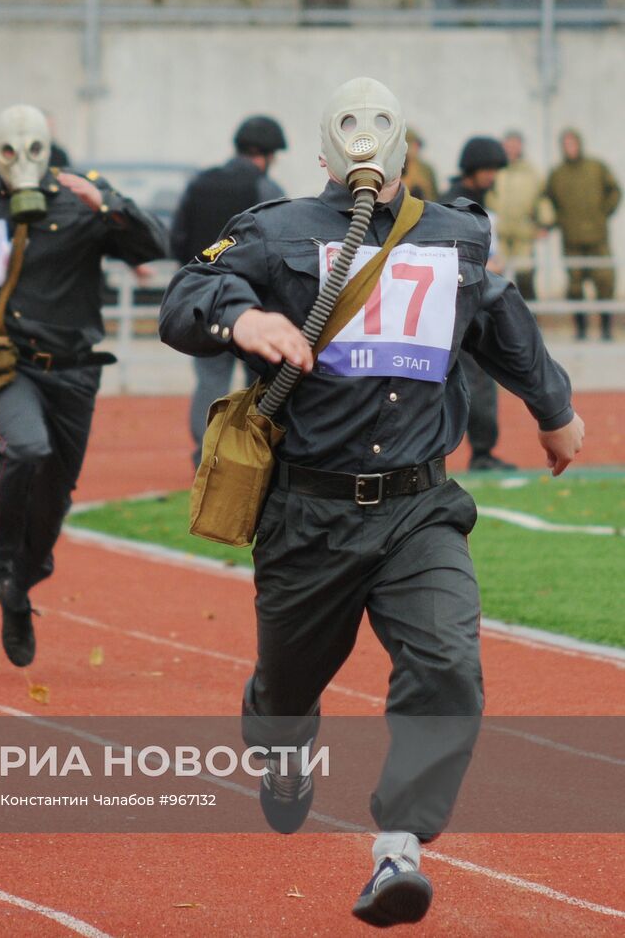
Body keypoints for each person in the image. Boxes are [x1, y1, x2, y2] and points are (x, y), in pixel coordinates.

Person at [160, 77, 584, 927]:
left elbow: (500, 317)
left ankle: (399, 845)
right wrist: (242, 319)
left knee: (448, 665)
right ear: (326, 154)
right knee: (287, 690)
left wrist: (554, 410)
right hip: (307, 512)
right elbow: (186, 295)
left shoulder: (455, 233)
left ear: (404, 151)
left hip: (418, 508)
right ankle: (283, 747)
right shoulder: (275, 230)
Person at [0, 104, 168, 667]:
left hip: (74, 371)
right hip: (5, 361)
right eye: (8, 150)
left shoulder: (81, 196)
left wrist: (108, 206)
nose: (21, 162)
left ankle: (20, 588)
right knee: (26, 447)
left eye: (32, 149)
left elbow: (154, 245)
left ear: (48, 150)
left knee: (54, 498)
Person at [170, 115, 287, 468]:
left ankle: (206, 458)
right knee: (261, 384)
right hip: (255, 305)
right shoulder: (268, 189)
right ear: (268, 154)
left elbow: (177, 238)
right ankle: (252, 458)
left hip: (206, 301)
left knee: (210, 380)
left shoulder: (199, 183)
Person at [444, 136, 515, 471]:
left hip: (473, 305)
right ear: (472, 168)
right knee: (468, 380)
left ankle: (483, 452)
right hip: (454, 307)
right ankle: (479, 453)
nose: (492, 175)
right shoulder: (452, 206)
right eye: (488, 169)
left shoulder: (482, 205)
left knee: (480, 380)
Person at [545, 128, 619, 340]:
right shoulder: (557, 174)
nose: (570, 148)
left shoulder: (596, 168)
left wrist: (603, 214)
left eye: (573, 143)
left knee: (605, 282)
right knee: (575, 286)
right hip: (571, 239)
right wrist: (551, 223)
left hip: (598, 237)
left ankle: (606, 328)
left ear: (579, 144)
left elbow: (614, 191)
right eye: (566, 144)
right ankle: (581, 328)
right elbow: (548, 202)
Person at [487, 130, 552, 302]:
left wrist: (544, 224)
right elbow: (488, 196)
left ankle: (530, 315)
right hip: (499, 234)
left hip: (524, 234)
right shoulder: (496, 171)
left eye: (515, 145)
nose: (511, 149)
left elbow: (542, 199)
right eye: (508, 145)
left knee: (525, 278)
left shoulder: (531, 173)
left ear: (521, 147)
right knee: (496, 279)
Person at [401, 127, 439, 201]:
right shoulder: (394, 168)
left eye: (417, 145)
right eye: (412, 145)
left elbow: (435, 197)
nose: (416, 148)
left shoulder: (426, 169)